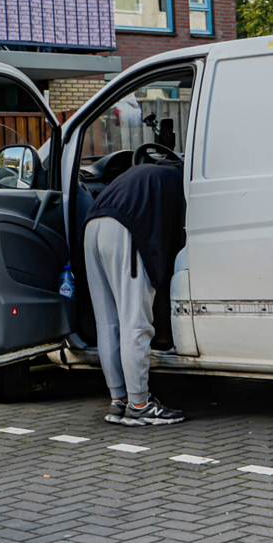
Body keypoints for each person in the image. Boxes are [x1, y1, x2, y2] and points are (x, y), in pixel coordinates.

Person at [83, 156, 186, 426]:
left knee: (108, 323)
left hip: (93, 223)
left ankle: (120, 401)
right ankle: (140, 405)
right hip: (126, 227)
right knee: (134, 322)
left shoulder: (146, 172)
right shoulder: (184, 181)